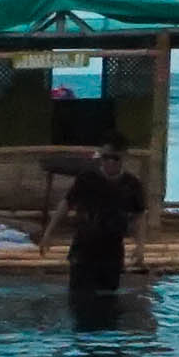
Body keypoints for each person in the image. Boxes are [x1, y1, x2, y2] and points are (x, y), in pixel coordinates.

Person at [47, 131, 147, 319]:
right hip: (84, 250)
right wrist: (49, 233)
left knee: (108, 304)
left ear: (123, 157)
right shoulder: (87, 178)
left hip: (111, 252)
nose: (109, 162)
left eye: (114, 158)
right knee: (79, 301)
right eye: (105, 157)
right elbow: (66, 204)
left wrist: (140, 247)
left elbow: (139, 216)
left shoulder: (132, 185)